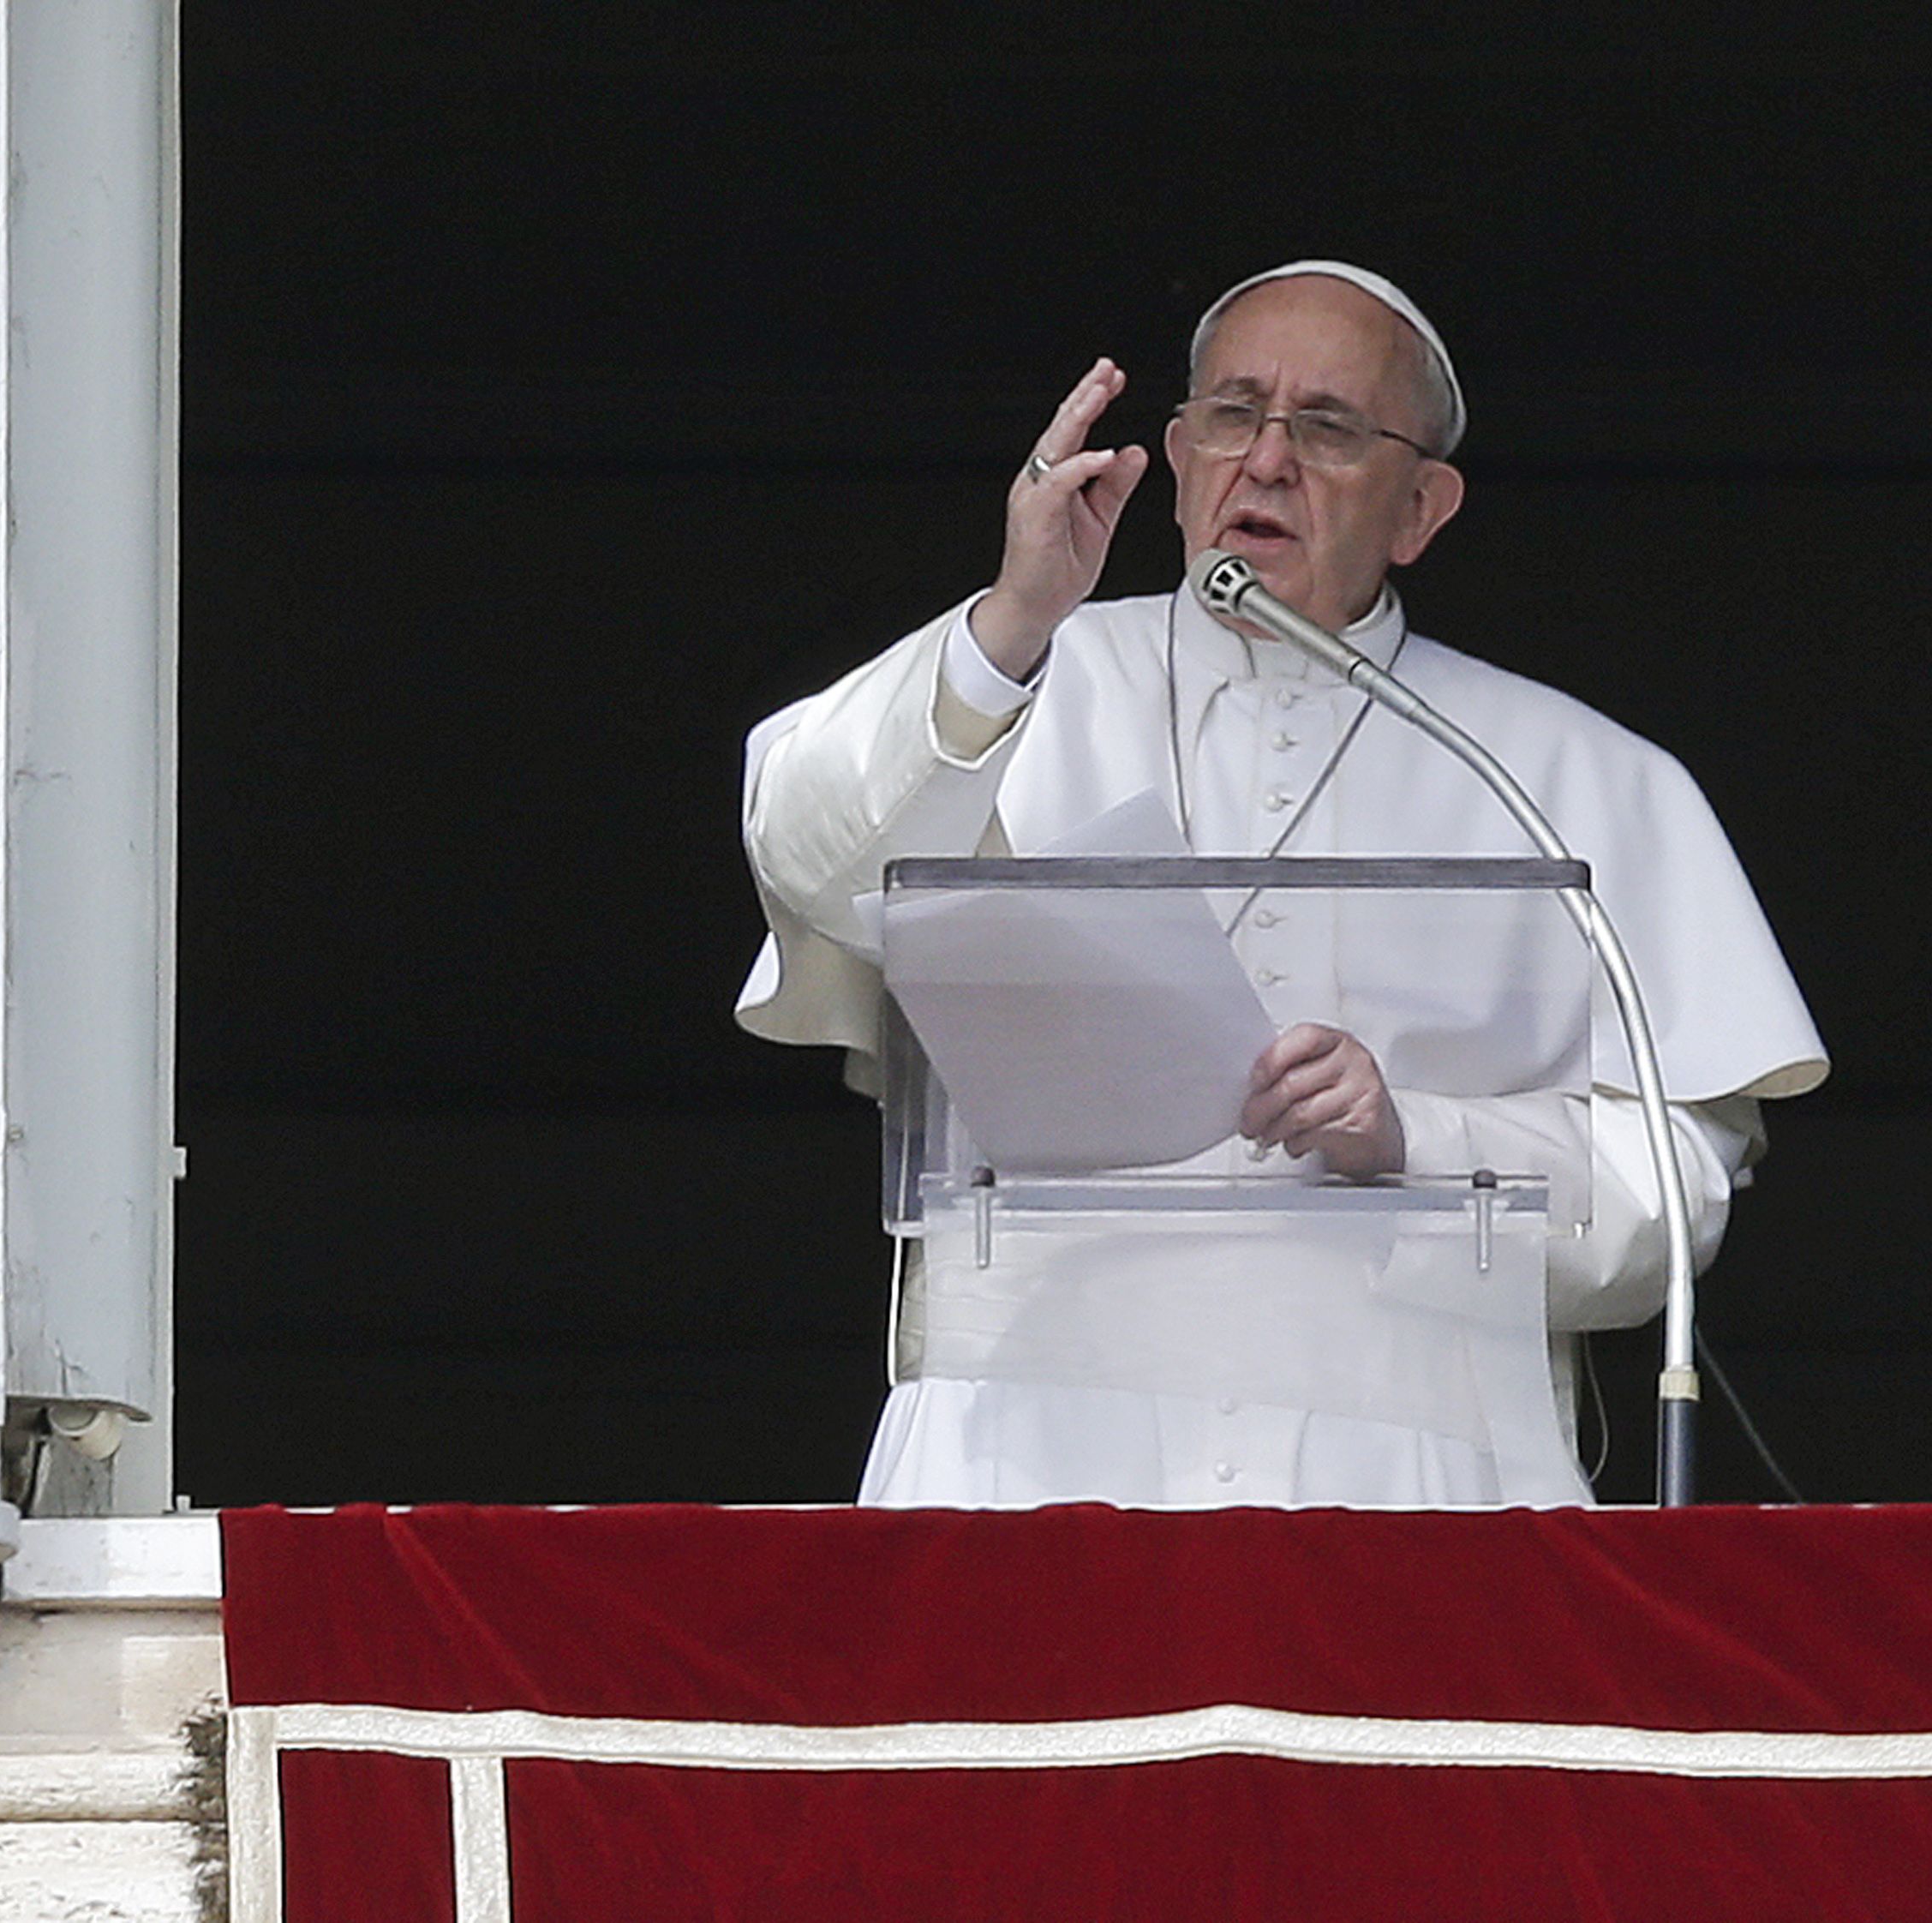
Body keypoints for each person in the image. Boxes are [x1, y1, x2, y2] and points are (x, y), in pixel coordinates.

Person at [737, 261, 1825, 1507]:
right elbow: (805, 858)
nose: (1265, 460)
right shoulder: (1018, 674)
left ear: (1422, 507)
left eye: (1326, 429)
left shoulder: (1563, 773)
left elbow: (1673, 1194)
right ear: (1178, 452)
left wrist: (1418, 1138)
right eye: (1232, 415)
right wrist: (1011, 620)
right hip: (1029, 1453)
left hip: (1420, 1474)